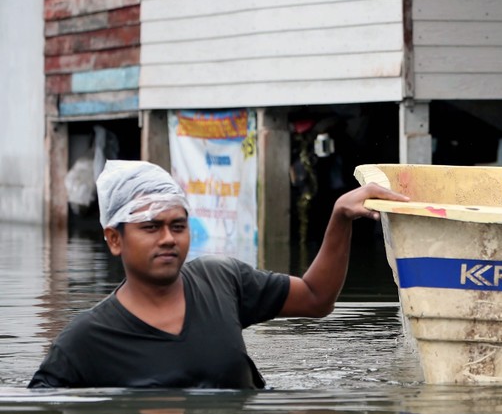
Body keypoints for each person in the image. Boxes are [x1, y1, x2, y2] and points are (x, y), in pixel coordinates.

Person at [28, 160, 408, 389]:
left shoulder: (220, 281)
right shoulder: (86, 340)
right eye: (150, 227)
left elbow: (315, 296)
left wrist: (340, 216)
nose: (168, 239)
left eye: (178, 226)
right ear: (114, 239)